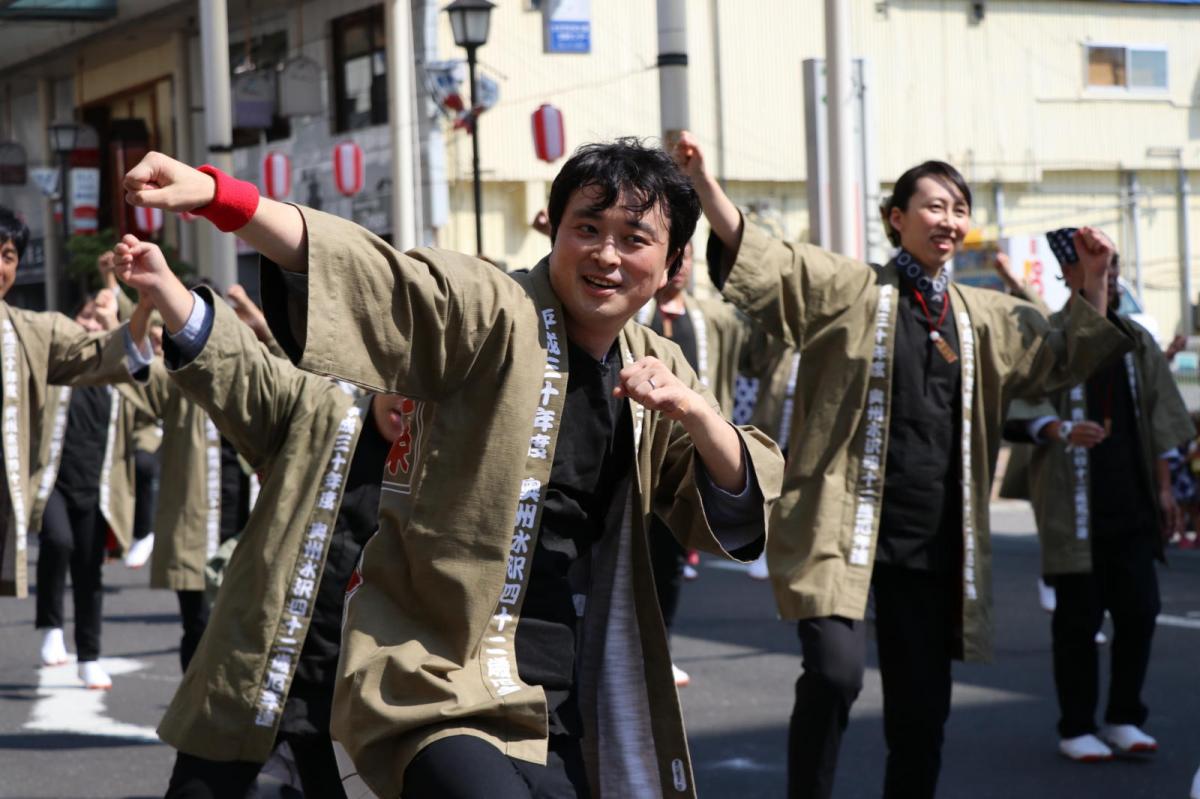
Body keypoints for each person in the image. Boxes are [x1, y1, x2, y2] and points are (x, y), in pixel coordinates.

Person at [122, 138, 783, 799]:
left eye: (633, 238)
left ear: (672, 265)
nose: (606, 253)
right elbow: (378, 281)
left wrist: (698, 413)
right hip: (438, 677)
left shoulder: (657, 370)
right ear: (553, 229)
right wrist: (223, 197)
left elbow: (730, 511)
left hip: (568, 692)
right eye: (587, 227)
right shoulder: (491, 311)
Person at [673, 131, 1129, 799]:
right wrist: (704, 185)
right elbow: (768, 261)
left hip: (933, 540)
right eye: (934, 205)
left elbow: (1063, 352)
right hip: (841, 527)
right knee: (834, 675)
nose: (948, 220)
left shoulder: (984, 316)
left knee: (922, 712)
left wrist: (1091, 280)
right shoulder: (852, 289)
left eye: (959, 208)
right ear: (897, 218)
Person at [110, 234, 398, 799]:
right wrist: (165, 286)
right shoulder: (323, 406)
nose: (410, 397)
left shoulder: (460, 459)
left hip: (361, 718)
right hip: (255, 686)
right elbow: (242, 372)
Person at [1003, 235, 1193, 762]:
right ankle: (1077, 724)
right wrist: (1057, 428)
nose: (1102, 277)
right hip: (1074, 499)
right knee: (1079, 619)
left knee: (1140, 611)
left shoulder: (1134, 339)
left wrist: (1162, 486)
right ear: (1069, 274)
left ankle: (1124, 716)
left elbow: (1158, 416)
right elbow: (1021, 404)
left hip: (1130, 496)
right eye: (1089, 268)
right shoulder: (1049, 335)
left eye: (1108, 268)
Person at [0, 207, 148, 600]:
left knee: (78, 556)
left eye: (8, 255)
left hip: (69, 478)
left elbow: (100, 353)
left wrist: (146, 301)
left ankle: (77, 647)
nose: (0, 264)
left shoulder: (32, 331)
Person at [636, 240, 752, 685]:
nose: (680, 267)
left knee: (666, 565)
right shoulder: (630, 314)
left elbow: (756, 344)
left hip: (683, 461)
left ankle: (660, 650)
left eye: (687, 259)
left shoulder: (713, 319)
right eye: (673, 257)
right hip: (633, 454)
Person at [32, 289, 148, 688]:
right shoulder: (55, 366)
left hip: (97, 486)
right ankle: (50, 628)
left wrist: (116, 315)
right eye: (84, 317)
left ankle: (89, 656)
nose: (90, 325)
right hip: (51, 481)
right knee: (58, 543)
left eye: (97, 321)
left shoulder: (119, 378)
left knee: (88, 569)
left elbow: (149, 387)